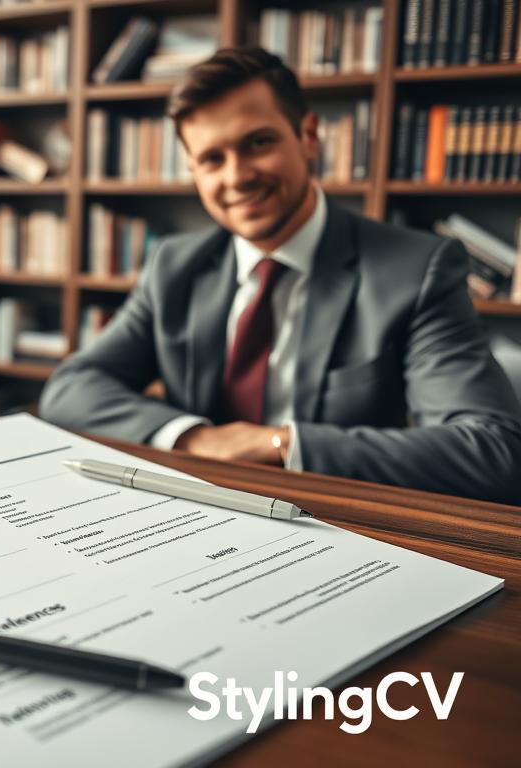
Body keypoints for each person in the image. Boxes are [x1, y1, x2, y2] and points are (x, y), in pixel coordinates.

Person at [40, 47, 521, 504]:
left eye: (258, 143)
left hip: (339, 519)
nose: (237, 176)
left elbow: (492, 451)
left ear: (308, 136)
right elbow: (72, 387)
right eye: (212, 159)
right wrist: (195, 438)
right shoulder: (175, 264)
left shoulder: (417, 269)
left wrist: (279, 444)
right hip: (196, 509)